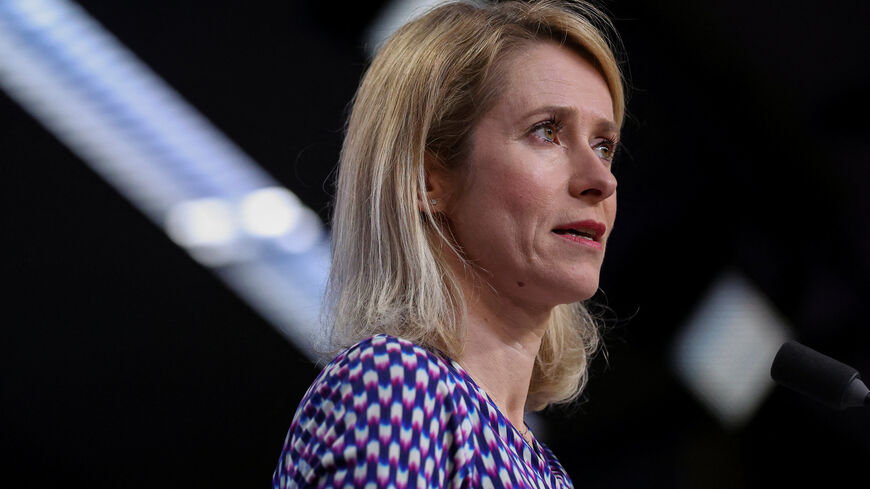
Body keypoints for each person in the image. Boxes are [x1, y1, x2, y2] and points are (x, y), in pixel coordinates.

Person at [273, 0, 625, 487]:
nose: (599, 180)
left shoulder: (545, 470)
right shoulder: (397, 382)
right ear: (427, 178)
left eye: (604, 146)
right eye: (547, 132)